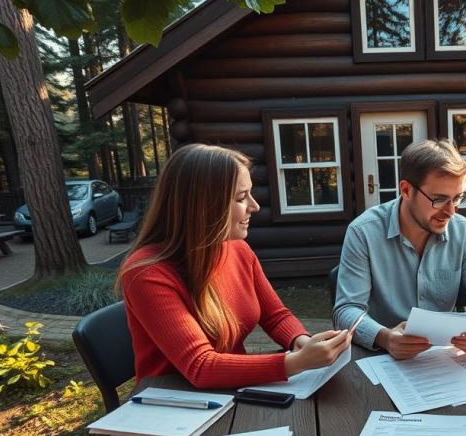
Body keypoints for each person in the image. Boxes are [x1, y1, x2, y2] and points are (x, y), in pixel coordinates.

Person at [119, 144, 350, 389]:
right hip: (172, 402)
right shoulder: (146, 273)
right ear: (203, 206)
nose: (255, 206)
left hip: (229, 391)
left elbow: (275, 315)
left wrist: (301, 341)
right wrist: (297, 362)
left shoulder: (237, 249)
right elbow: (200, 366)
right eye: (241, 198)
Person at [333, 139, 466, 359]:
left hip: (444, 359)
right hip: (381, 359)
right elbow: (346, 310)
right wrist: (384, 337)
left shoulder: (464, 231)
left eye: (457, 198)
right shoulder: (363, 232)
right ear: (406, 190)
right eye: (439, 200)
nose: (451, 212)